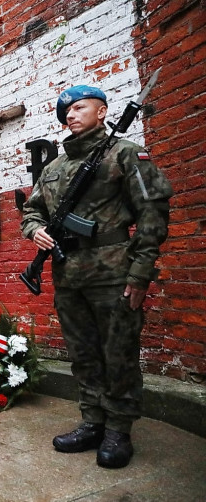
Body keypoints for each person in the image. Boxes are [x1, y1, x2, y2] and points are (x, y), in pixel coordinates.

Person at [21, 84, 173, 469]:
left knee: (118, 352)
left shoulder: (125, 153)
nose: (71, 115)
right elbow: (32, 210)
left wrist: (140, 274)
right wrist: (34, 230)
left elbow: (153, 215)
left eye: (80, 107)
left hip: (113, 272)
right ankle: (93, 421)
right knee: (83, 353)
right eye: (66, 111)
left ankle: (119, 429)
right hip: (67, 275)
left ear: (103, 111)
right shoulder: (54, 168)